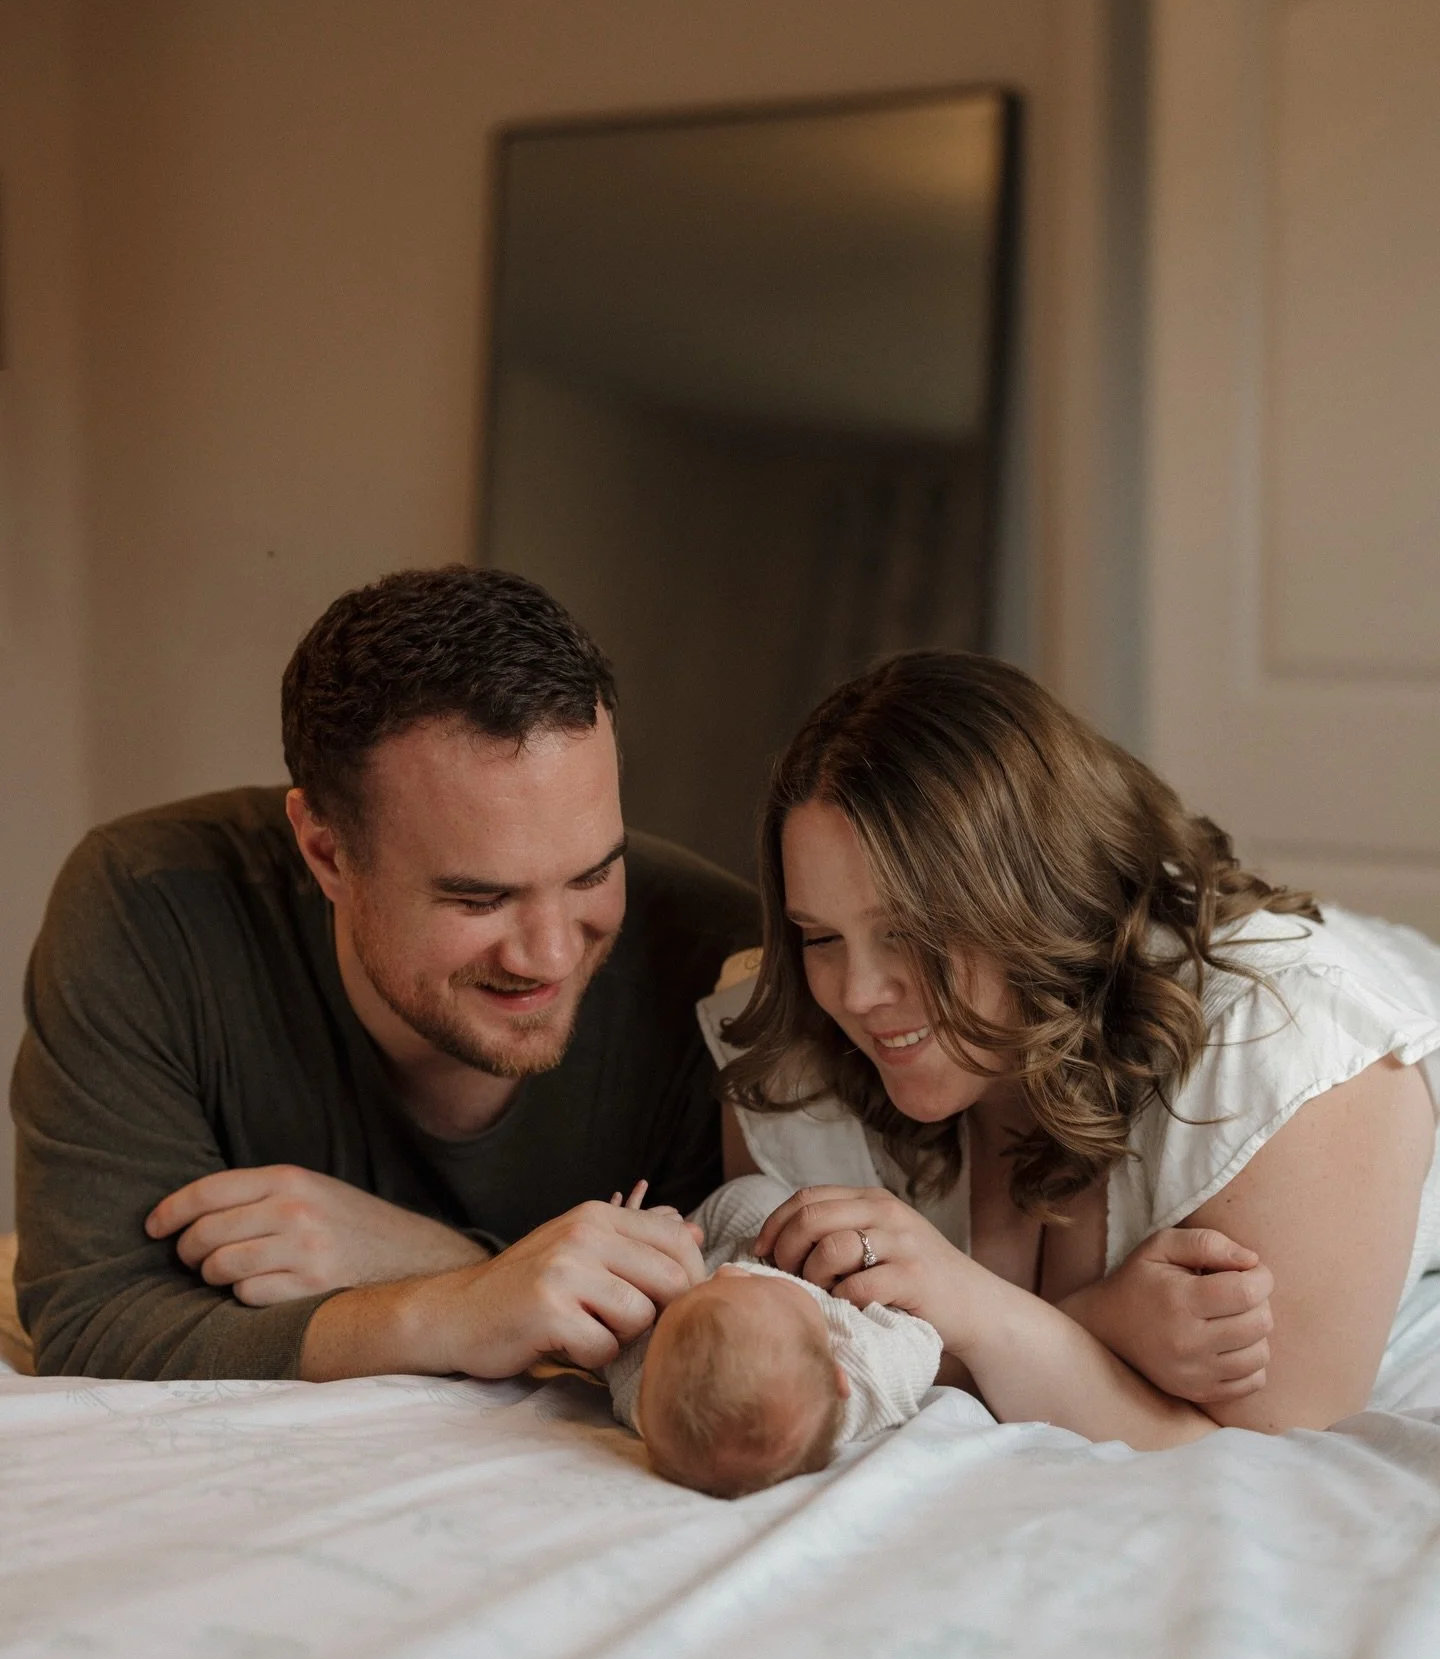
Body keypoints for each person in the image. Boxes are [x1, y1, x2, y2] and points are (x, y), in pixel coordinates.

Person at [11, 567, 757, 1379]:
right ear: (327, 852)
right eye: (480, 897)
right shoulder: (147, 905)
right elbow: (93, 1319)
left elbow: (760, 1333)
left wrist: (425, 1259)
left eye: (591, 876)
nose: (549, 953)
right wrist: (454, 1307)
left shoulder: (726, 963)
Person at [704, 651, 1440, 1438]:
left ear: (1032, 901)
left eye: (907, 934)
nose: (856, 992)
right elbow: (791, 1366)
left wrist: (981, 1313)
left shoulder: (1291, 1053)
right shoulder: (796, 1056)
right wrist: (1086, 1321)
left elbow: (1267, 1465)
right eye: (820, 936)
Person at [605, 1173, 944, 1497]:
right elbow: (923, 1339)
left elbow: (620, 1349)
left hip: (690, 1279)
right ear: (838, 1375)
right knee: (759, 1195)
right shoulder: (870, 1375)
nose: (729, 1273)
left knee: (729, 1210)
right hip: (790, 1254)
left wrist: (639, 1242)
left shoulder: (647, 1404)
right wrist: (868, 1297)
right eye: (760, 1288)